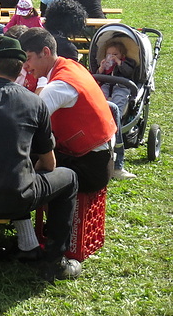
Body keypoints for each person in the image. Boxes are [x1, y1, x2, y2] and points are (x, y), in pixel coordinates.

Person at [0, 36, 81, 281]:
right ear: (20, 67)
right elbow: (50, 163)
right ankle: (54, 261)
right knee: (70, 178)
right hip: (16, 198)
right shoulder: (35, 102)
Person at [19, 28, 116, 194]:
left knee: (17, 164)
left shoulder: (57, 87)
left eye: (28, 59)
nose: (25, 67)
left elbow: (26, 126)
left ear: (45, 52)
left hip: (90, 166)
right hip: (101, 157)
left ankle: (26, 217)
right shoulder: (71, 66)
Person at [98, 39, 138, 181]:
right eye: (109, 54)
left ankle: (115, 117)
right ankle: (101, 111)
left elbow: (128, 72)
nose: (111, 56)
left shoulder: (127, 63)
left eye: (115, 54)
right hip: (107, 85)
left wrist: (119, 63)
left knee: (119, 97)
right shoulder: (106, 64)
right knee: (100, 91)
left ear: (122, 55)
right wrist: (101, 69)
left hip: (121, 86)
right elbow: (98, 77)